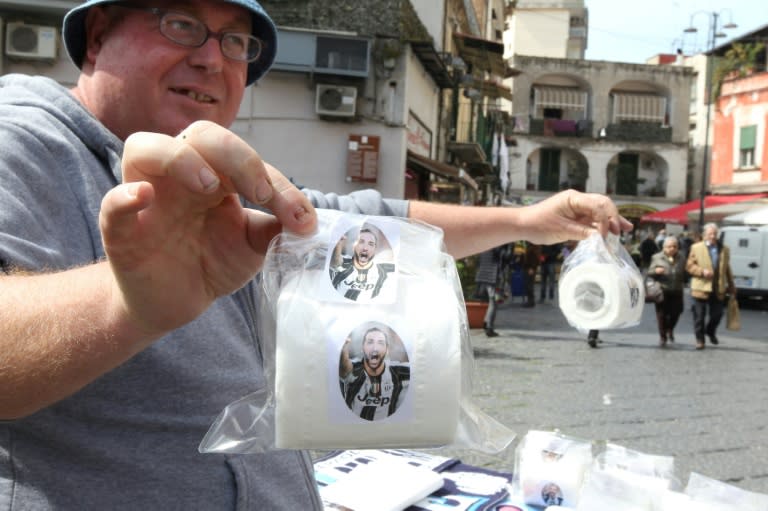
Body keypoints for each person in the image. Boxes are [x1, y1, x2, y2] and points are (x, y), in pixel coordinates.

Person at [0, 0, 632, 508]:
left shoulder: (217, 187)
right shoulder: (22, 139)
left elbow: (368, 223)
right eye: (182, 23)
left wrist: (526, 219)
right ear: (98, 32)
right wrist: (128, 302)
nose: (211, 60)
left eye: (235, 42)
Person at [339, 327, 409, 421]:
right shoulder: (355, 369)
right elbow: (345, 367)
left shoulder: (399, 371)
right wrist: (343, 352)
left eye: (380, 343)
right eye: (370, 342)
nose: (375, 348)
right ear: (362, 348)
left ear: (387, 350)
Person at [686, 223, 735, 350]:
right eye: (710, 234)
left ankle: (710, 331)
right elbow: (689, 266)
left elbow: (727, 268)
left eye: (715, 234)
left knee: (717, 314)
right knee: (699, 316)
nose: (713, 236)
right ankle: (700, 340)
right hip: (700, 287)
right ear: (705, 235)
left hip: (717, 287)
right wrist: (702, 272)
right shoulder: (696, 247)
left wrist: (731, 284)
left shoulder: (724, 249)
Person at [330, 227, 395, 301]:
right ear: (354, 246)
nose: (365, 248)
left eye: (371, 244)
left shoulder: (383, 269)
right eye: (361, 242)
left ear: (375, 249)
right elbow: (336, 261)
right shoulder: (345, 262)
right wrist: (338, 244)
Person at [649, 236, 686, 347]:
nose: (672, 249)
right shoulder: (656, 257)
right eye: (669, 246)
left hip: (677, 289)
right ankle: (663, 337)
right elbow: (650, 271)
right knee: (662, 315)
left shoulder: (682, 257)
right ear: (664, 247)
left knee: (677, 312)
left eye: (675, 246)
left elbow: (686, 272)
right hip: (662, 289)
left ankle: (670, 329)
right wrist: (656, 270)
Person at [474, 246, 506, 337]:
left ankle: (486, 323)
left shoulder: (486, 245)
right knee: (494, 302)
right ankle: (489, 327)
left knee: (492, 302)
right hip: (492, 277)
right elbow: (504, 257)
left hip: (485, 276)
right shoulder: (497, 246)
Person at [522, 242, 541, 307]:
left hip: (530, 268)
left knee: (529, 285)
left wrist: (532, 268)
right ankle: (530, 301)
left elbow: (536, 259)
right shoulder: (529, 246)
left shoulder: (534, 247)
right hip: (527, 268)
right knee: (528, 285)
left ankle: (531, 301)